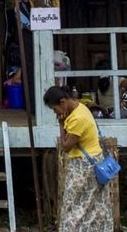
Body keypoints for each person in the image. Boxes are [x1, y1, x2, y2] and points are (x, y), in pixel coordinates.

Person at [43, 85, 114, 232]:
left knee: (73, 206)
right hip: (96, 161)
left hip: (83, 166)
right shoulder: (81, 107)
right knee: (95, 206)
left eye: (55, 109)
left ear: (63, 102)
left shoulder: (77, 119)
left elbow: (66, 146)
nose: (56, 113)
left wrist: (61, 125)